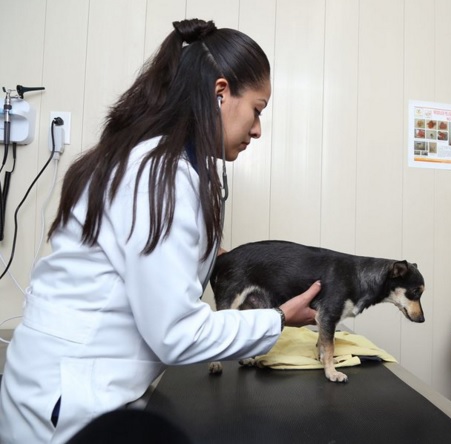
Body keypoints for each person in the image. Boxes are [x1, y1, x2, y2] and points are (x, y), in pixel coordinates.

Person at [0, 19, 319, 443]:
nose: (258, 129)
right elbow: (176, 335)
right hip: (65, 402)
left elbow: (144, 260)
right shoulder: (158, 177)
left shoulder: (161, 162)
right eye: (258, 110)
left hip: (77, 382)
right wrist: (277, 320)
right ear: (221, 93)